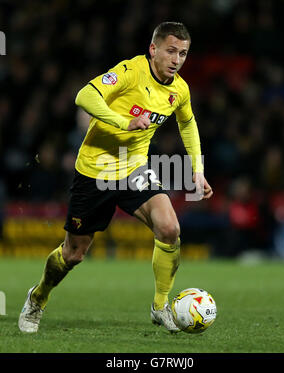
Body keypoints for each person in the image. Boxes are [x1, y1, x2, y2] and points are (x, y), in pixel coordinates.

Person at [18, 22, 213, 334]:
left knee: (169, 228)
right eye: (171, 51)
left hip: (133, 167)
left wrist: (197, 171)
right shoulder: (131, 71)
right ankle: (38, 297)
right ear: (154, 50)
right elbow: (84, 97)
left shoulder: (180, 89)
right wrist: (125, 122)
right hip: (96, 170)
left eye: (183, 53)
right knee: (74, 254)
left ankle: (160, 305)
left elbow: (187, 124)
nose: (177, 59)